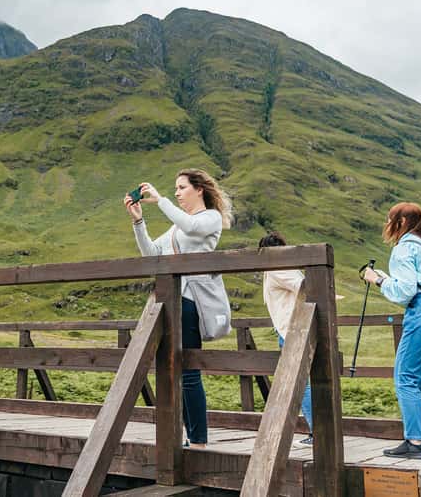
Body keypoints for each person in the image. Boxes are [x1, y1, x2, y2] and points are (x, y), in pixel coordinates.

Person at [124, 168, 232, 449]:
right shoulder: (177, 227)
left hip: (191, 302)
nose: (177, 193)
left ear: (199, 189)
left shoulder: (210, 218)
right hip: (172, 301)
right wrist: (138, 222)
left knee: (189, 372)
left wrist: (160, 200)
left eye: (182, 187)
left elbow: (191, 227)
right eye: (175, 189)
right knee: (174, 369)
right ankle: (189, 435)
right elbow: (152, 255)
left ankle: (198, 439)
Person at [362, 202, 421, 460]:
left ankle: (415, 441)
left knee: (405, 377)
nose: (387, 225)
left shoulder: (405, 248)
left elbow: (406, 290)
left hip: (420, 311)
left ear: (402, 222)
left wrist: (378, 279)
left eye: (390, 220)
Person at [258, 232, 313, 445]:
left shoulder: (276, 269)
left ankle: (316, 431)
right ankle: (318, 430)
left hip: (291, 330)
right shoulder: (285, 267)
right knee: (305, 381)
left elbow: (303, 285)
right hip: (293, 328)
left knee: (301, 382)